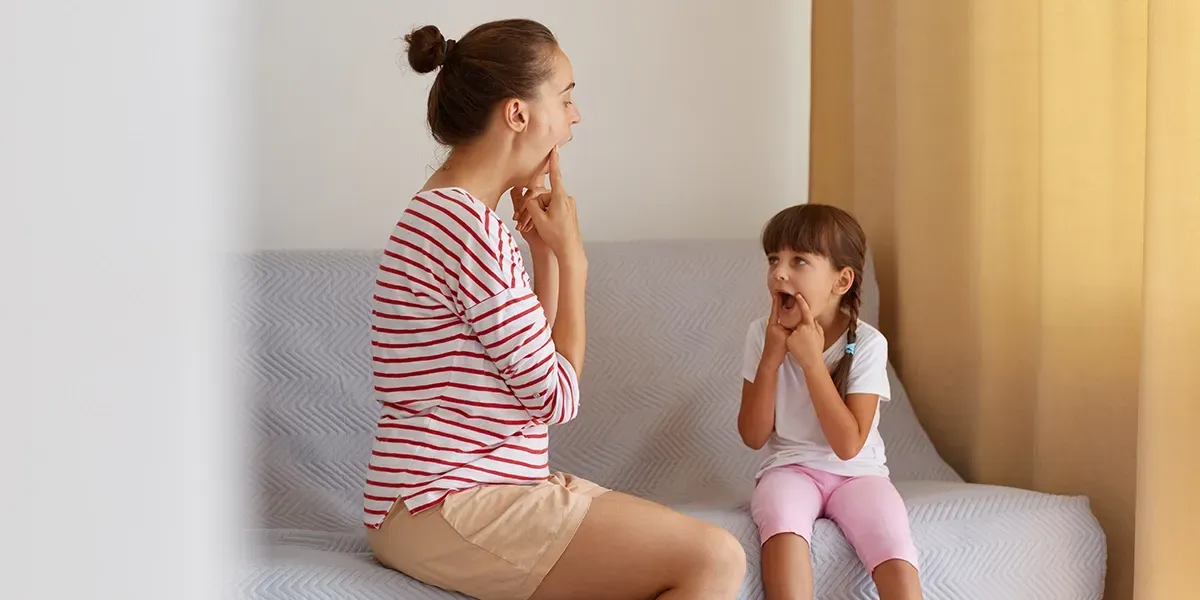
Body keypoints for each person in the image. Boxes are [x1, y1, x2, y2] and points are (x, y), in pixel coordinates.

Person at [362, 18, 746, 600]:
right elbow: (554, 398)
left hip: (437, 495)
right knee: (713, 559)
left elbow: (524, 373)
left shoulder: (445, 213)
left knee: (694, 547)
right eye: (565, 98)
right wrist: (575, 260)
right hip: (446, 501)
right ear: (518, 114)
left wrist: (543, 258)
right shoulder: (470, 231)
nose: (575, 117)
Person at [738, 204, 922, 600]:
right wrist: (772, 357)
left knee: (893, 544)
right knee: (782, 521)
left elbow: (848, 445)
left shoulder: (868, 343)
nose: (779, 273)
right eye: (774, 259)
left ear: (841, 281)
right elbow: (753, 436)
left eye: (798, 260)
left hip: (859, 472)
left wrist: (811, 363)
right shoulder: (760, 334)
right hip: (790, 469)